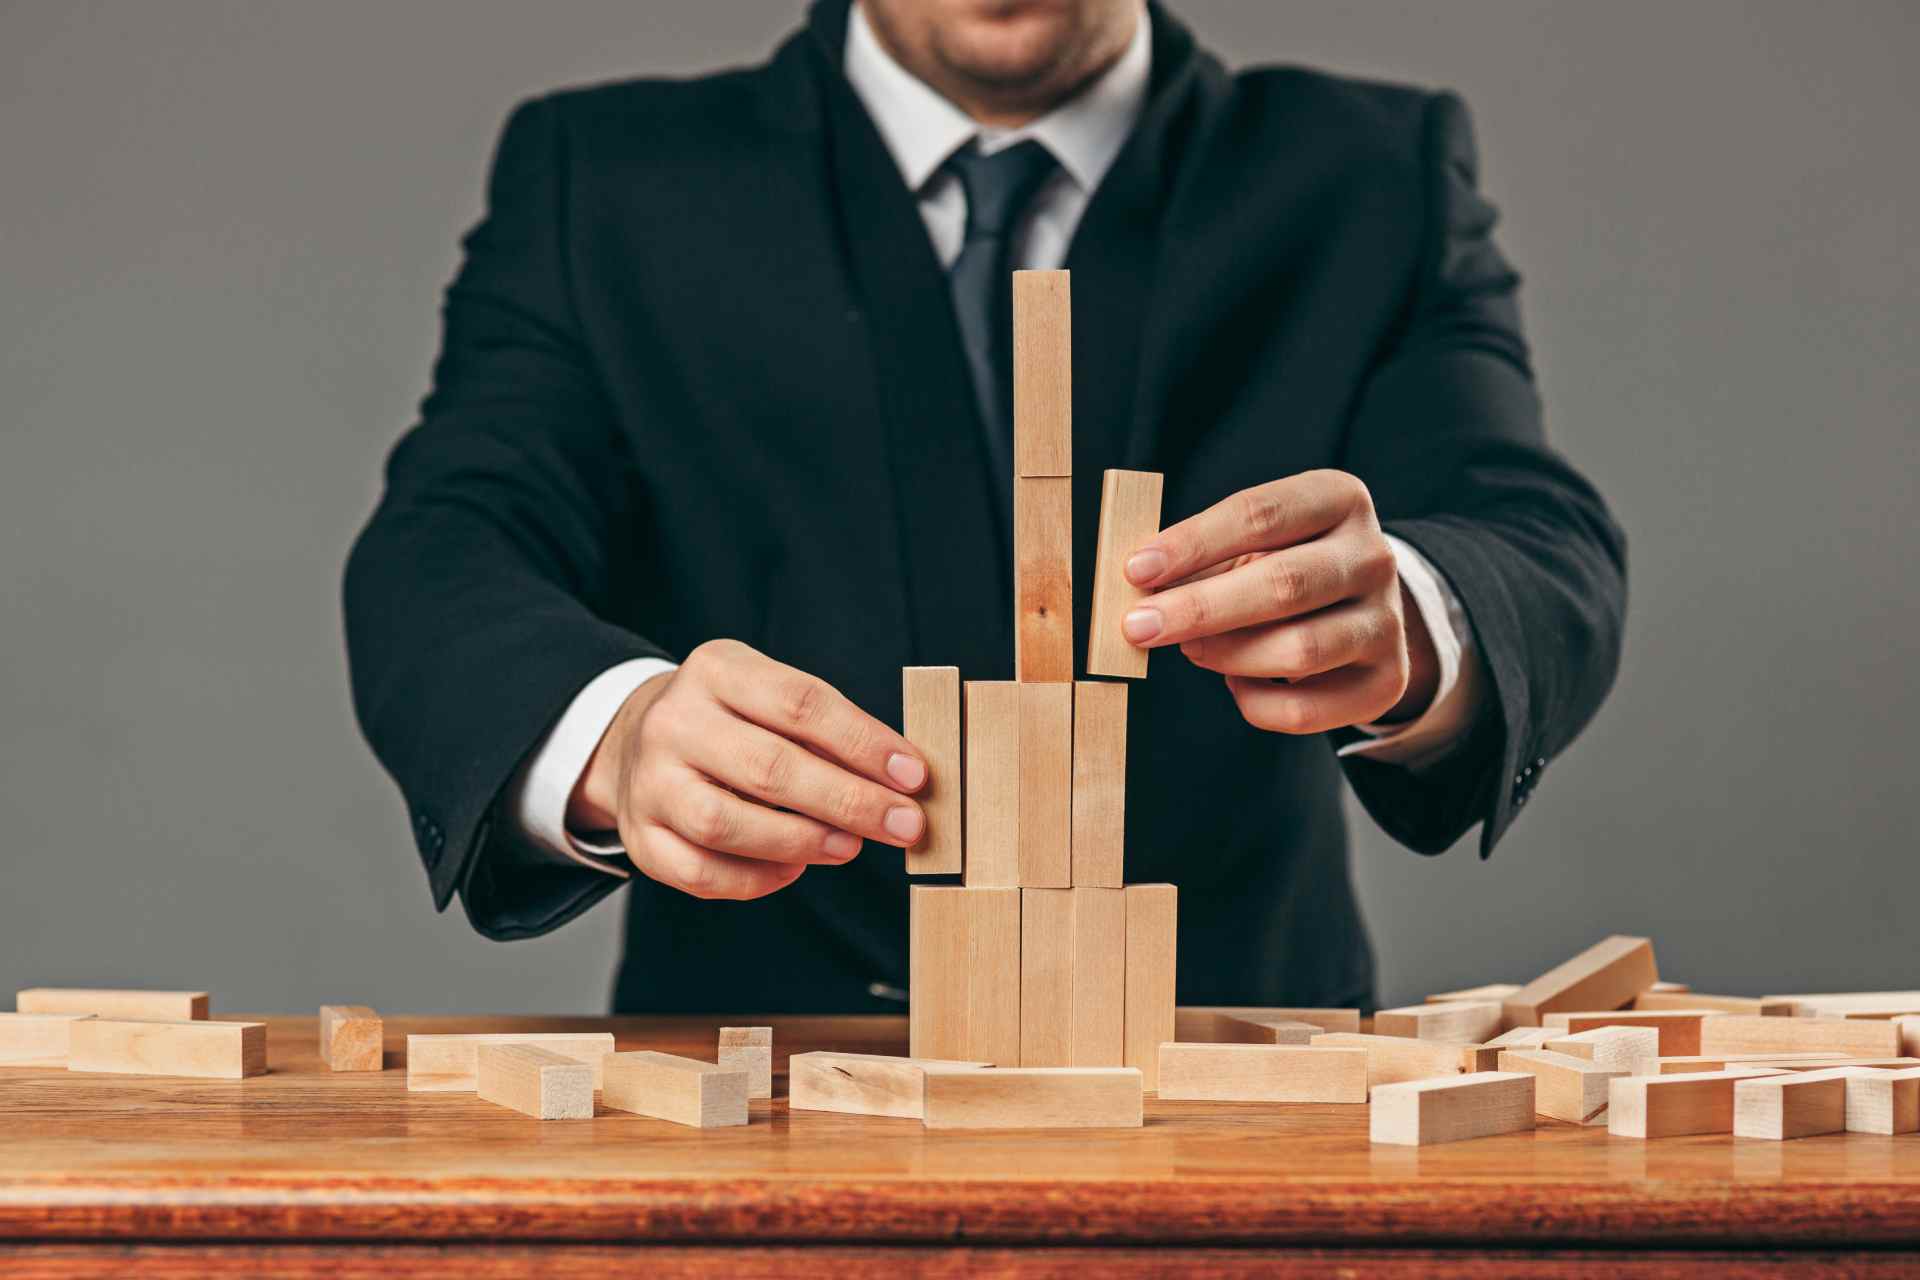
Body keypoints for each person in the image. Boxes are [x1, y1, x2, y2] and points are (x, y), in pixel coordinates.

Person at [344, 0, 1626, 1013]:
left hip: (1235, 1076)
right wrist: (614, 734)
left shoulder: (1370, 173)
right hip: (765, 1090)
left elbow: (1532, 537)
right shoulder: (606, 179)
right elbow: (445, 547)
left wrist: (1405, 612)